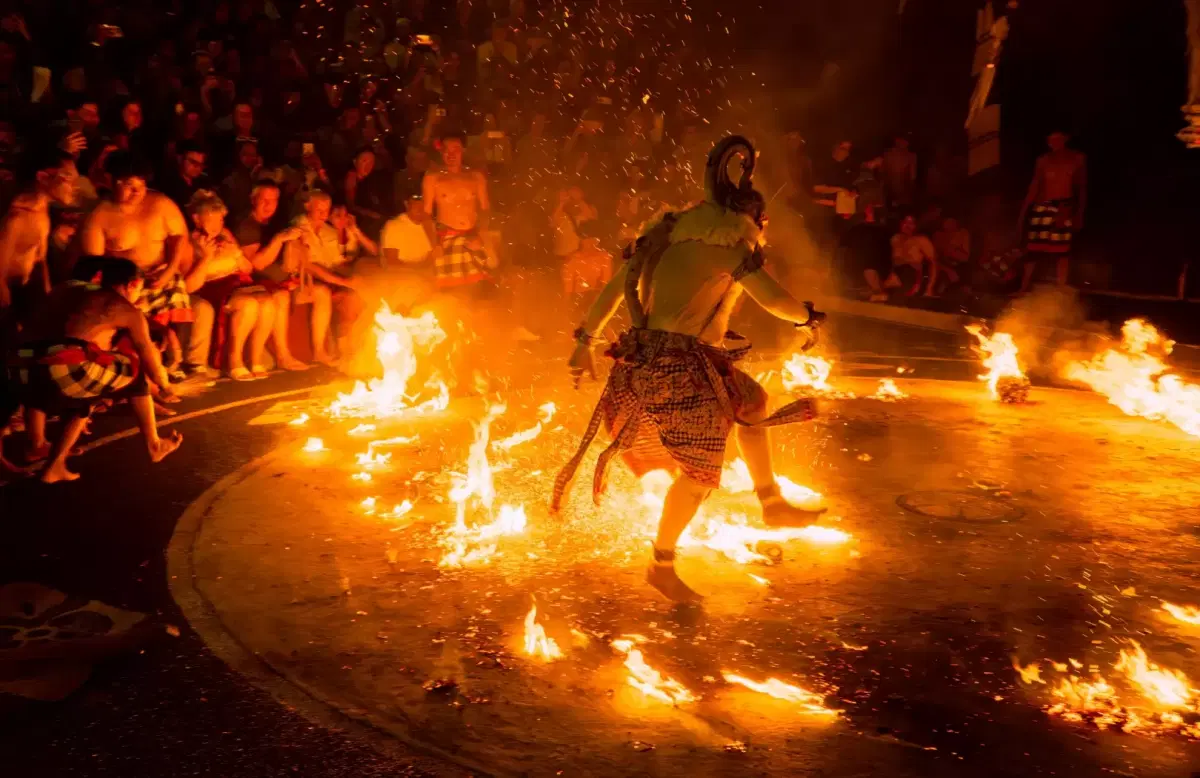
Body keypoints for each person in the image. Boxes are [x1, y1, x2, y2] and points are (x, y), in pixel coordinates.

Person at [553, 136, 826, 603]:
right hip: (676, 368)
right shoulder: (729, 251)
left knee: (753, 402)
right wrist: (808, 317)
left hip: (670, 360)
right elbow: (775, 300)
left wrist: (585, 343)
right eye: (763, 223)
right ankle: (661, 564)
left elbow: (614, 291)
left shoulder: (665, 245)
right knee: (699, 473)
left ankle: (772, 501)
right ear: (750, 221)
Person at [0, 257, 182, 483]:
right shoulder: (126, 310)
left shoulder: (67, 287)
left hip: (17, 365)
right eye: (140, 289)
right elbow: (150, 362)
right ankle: (154, 444)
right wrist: (166, 386)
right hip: (59, 369)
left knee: (89, 389)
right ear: (133, 284)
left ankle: (51, 463)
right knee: (133, 370)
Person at [80, 152, 195, 375]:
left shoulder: (160, 203)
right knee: (140, 326)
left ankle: (177, 365)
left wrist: (169, 270)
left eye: (141, 186)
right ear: (113, 182)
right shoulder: (98, 217)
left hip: (163, 275)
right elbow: (93, 266)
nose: (137, 192)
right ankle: (149, 372)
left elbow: (179, 237)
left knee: (178, 296)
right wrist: (129, 286)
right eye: (130, 186)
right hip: (126, 286)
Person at [183, 190, 276, 380]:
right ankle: (233, 361)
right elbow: (189, 286)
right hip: (213, 288)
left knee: (268, 303)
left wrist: (236, 253)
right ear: (197, 219)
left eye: (221, 220)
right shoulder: (189, 242)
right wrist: (206, 258)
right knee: (248, 306)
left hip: (240, 283)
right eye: (212, 220)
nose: (218, 226)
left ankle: (255, 359)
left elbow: (248, 269)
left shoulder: (224, 235)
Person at [234, 180, 309, 371]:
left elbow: (289, 260)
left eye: (274, 200)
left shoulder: (276, 222)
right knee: (281, 296)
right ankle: (282, 356)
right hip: (247, 280)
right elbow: (256, 265)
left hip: (275, 278)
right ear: (253, 200)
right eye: (264, 200)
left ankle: (282, 356)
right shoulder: (246, 225)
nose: (269, 205)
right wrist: (280, 239)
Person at [284, 190, 361, 365]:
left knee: (352, 296)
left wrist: (354, 277)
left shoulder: (329, 232)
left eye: (326, 210)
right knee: (323, 293)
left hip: (328, 278)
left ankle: (346, 348)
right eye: (319, 210)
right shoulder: (297, 229)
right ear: (307, 206)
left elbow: (337, 262)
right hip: (301, 280)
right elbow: (308, 266)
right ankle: (319, 351)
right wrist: (342, 281)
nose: (323, 214)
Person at [0, 149, 78, 323]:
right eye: (68, 179)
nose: (74, 187)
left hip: (23, 289)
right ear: (43, 177)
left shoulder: (41, 208)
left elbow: (39, 258)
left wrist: (48, 297)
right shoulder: (18, 217)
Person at [421, 130, 495, 294]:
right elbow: (426, 214)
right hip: (446, 238)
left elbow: (485, 210)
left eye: (455, 149)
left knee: (482, 289)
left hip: (472, 236)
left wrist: (480, 236)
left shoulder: (476, 177)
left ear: (463, 151)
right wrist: (435, 245)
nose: (450, 154)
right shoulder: (433, 178)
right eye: (446, 150)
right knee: (452, 293)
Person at [1017, 129, 1087, 293]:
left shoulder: (1077, 158)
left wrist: (1078, 213)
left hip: (1063, 207)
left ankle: (1060, 288)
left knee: (1062, 252)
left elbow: (1082, 187)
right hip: (1041, 207)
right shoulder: (1043, 160)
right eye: (1051, 139)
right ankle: (1023, 286)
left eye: (1058, 139)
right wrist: (1022, 213)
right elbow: (1035, 185)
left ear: (1065, 139)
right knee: (1033, 249)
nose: (1054, 143)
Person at [342, 147, 388, 239]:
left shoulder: (372, 180)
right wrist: (368, 213)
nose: (368, 165)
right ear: (355, 162)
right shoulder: (351, 178)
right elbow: (350, 205)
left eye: (371, 162)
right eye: (364, 161)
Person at [160, 141, 213, 212]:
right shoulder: (167, 184)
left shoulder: (204, 183)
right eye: (193, 162)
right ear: (180, 159)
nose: (197, 167)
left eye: (201, 164)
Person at [932, 215, 971, 291]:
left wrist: (952, 251)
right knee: (942, 281)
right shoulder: (938, 235)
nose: (950, 225)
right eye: (948, 222)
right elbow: (933, 259)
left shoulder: (963, 233)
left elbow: (965, 257)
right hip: (942, 266)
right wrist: (948, 271)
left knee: (965, 274)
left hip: (958, 265)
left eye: (953, 222)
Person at [880, 134, 917, 209]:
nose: (906, 143)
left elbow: (912, 178)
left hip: (898, 196)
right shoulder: (910, 156)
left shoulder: (888, 154)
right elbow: (912, 178)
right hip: (894, 195)